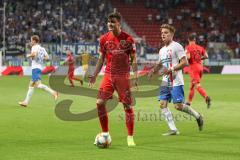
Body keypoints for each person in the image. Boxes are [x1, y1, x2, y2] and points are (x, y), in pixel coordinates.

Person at [88, 12, 138, 147]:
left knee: (127, 105)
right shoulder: (104, 39)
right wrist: (94, 74)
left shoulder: (128, 39)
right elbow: (101, 59)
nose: (110, 24)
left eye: (113, 22)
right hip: (109, 75)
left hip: (123, 76)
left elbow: (133, 58)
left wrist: (135, 74)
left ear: (119, 24)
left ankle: (130, 136)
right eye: (108, 22)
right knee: (99, 103)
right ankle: (105, 133)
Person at [148, 24, 204, 135]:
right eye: (162, 33)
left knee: (178, 106)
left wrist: (171, 69)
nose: (163, 35)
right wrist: (152, 71)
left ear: (172, 34)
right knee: (162, 104)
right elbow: (160, 63)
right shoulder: (162, 50)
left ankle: (198, 116)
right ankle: (173, 129)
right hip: (165, 81)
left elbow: (185, 62)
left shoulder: (177, 46)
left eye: (166, 33)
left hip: (176, 81)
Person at [19, 35, 58, 107]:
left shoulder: (34, 47)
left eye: (31, 40)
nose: (30, 42)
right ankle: (26, 102)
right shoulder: (42, 48)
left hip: (35, 68)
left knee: (38, 85)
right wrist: (40, 58)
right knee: (31, 85)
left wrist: (28, 55)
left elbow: (33, 54)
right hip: (39, 67)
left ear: (34, 41)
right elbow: (47, 58)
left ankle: (54, 92)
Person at [185, 34, 211, 108]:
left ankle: (206, 97)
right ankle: (189, 102)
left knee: (197, 85)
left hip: (193, 68)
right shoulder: (200, 47)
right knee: (192, 86)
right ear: (195, 40)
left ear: (188, 40)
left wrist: (182, 61)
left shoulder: (188, 47)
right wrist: (199, 58)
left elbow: (188, 57)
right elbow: (206, 56)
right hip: (200, 68)